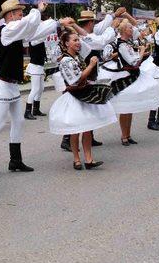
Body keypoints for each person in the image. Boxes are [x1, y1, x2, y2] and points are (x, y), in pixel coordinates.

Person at [0, 0, 48, 178]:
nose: (21, 15)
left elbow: (33, 30)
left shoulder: (15, 31)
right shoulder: (8, 30)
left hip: (12, 85)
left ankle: (15, 160)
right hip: (2, 84)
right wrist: (37, 10)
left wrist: (54, 23)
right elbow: (28, 23)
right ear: (9, 16)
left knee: (18, 121)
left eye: (21, 12)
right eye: (18, 12)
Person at [49, 30, 114, 170]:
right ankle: (76, 159)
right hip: (75, 96)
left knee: (88, 128)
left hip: (85, 93)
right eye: (74, 40)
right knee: (76, 129)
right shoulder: (65, 60)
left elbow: (88, 46)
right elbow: (76, 80)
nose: (78, 43)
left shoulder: (77, 56)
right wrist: (91, 65)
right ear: (66, 43)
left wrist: (74, 27)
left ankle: (89, 159)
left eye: (78, 40)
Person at [100, 21, 159, 145]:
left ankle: (128, 134)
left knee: (130, 107)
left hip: (134, 74)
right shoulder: (121, 45)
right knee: (125, 108)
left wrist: (143, 52)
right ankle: (124, 136)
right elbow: (133, 62)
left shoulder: (128, 43)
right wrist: (142, 52)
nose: (132, 29)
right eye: (129, 28)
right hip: (126, 76)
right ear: (123, 31)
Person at [24, 14, 59, 120]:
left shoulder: (39, 37)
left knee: (41, 88)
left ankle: (36, 109)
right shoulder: (34, 38)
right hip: (35, 66)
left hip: (39, 66)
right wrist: (49, 27)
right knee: (35, 89)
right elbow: (42, 37)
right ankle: (27, 111)